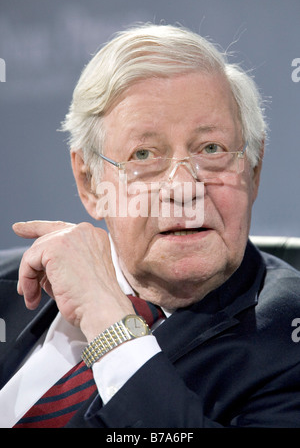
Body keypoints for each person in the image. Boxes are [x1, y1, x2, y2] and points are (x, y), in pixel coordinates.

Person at [1, 23, 300, 429]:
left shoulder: (287, 341)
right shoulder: (10, 285)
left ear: (254, 169)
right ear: (89, 182)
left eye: (211, 149)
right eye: (144, 154)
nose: (183, 188)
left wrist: (107, 319)